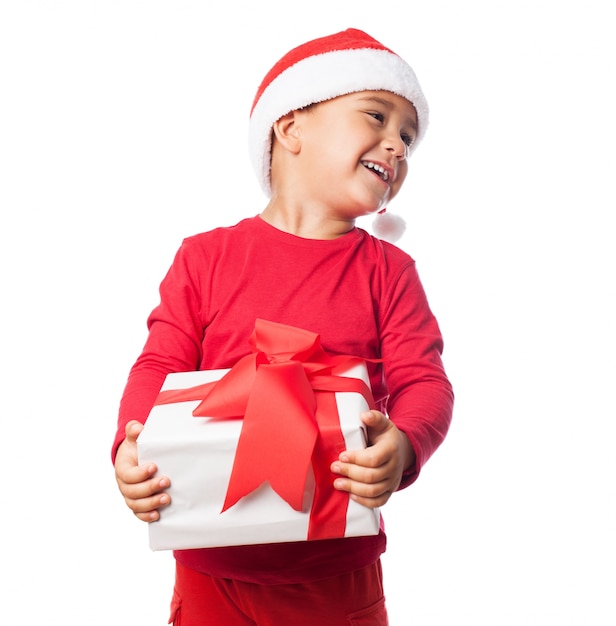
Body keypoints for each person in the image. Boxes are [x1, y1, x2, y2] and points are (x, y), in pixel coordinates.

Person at [113, 27, 454, 626]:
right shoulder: (205, 257)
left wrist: (402, 446)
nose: (396, 145)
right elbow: (159, 366)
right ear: (290, 128)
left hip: (337, 576)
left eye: (408, 136)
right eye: (376, 116)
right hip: (208, 568)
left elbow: (425, 382)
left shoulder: (389, 272)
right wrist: (132, 444)